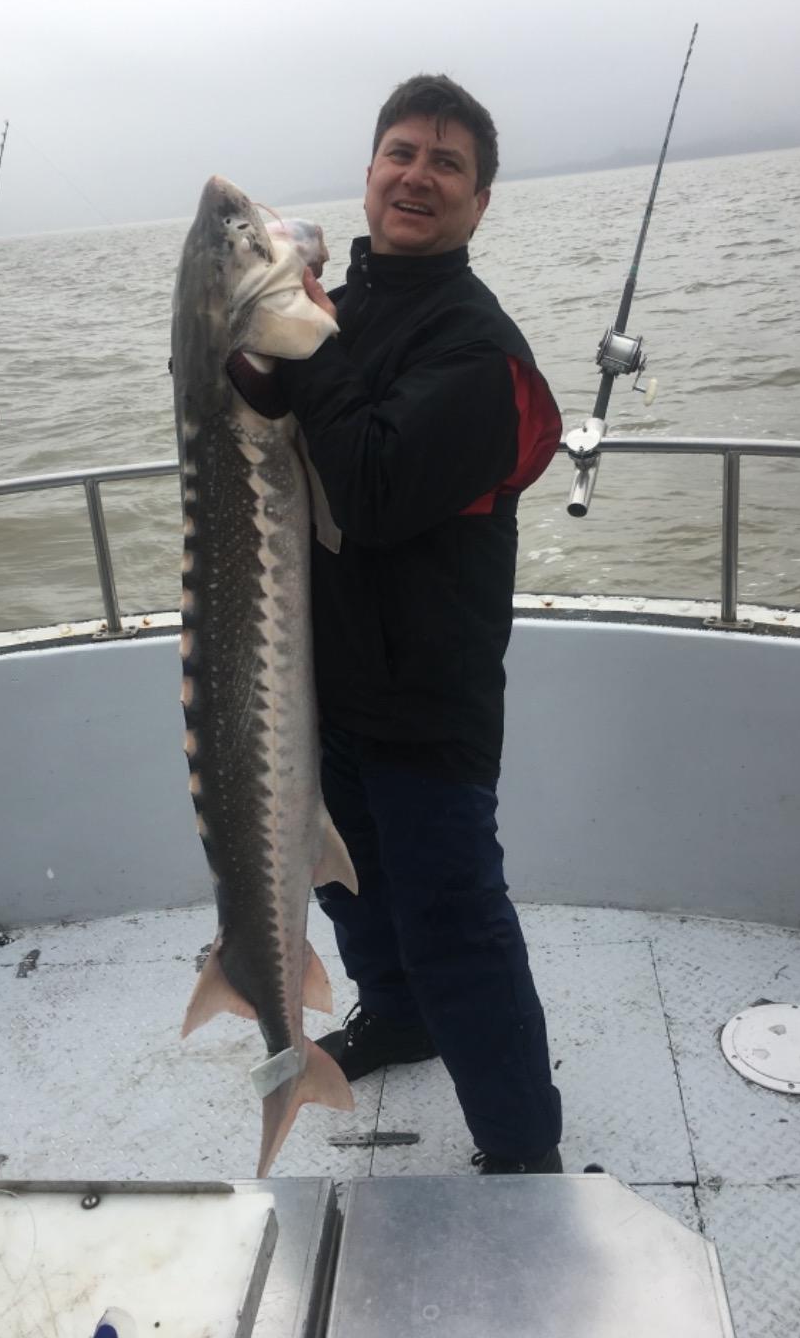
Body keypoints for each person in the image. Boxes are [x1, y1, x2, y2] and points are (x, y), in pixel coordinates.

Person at [258, 74, 564, 1173]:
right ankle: (398, 1016)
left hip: (429, 696)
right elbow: (268, 414)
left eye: (447, 163)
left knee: (456, 925)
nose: (417, 175)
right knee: (349, 881)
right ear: (371, 171)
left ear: (480, 203)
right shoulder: (347, 308)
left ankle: (524, 1148)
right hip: (326, 684)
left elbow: (376, 488)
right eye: (401, 152)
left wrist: (310, 345)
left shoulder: (478, 350)